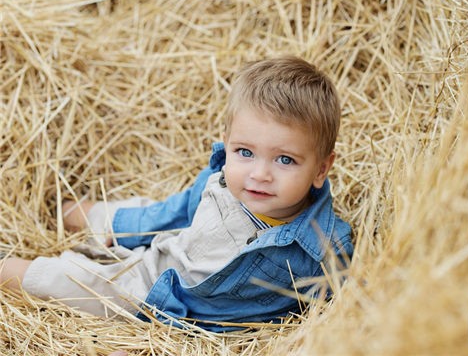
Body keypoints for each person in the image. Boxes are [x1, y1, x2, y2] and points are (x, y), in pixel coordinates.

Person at [0, 56, 354, 332]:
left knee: (83, 282)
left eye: (285, 159)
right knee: (144, 213)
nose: (259, 174)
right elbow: (170, 213)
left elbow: (346, 307)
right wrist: (122, 226)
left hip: (157, 295)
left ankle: (10, 268)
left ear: (321, 169)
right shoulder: (220, 183)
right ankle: (87, 214)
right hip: (174, 240)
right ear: (229, 144)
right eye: (244, 152)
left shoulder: (321, 246)